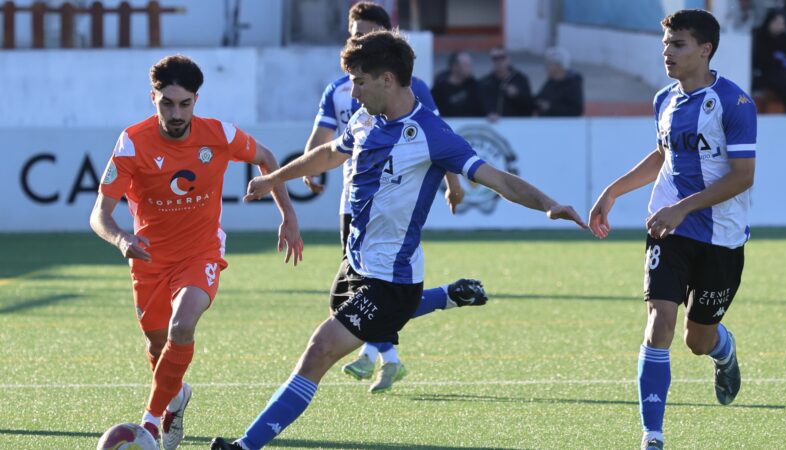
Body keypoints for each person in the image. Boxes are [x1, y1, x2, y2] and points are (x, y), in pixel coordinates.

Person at [210, 30, 586, 450]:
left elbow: (498, 179)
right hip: (356, 263)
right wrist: (275, 178)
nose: (352, 91)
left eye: (359, 81)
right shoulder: (366, 118)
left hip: (391, 280)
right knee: (351, 321)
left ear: (387, 79)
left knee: (320, 350)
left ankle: (246, 446)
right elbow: (332, 154)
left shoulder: (431, 133)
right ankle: (447, 296)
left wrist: (549, 204)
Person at [89, 55, 304, 450]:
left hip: (200, 253)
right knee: (158, 347)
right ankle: (177, 398)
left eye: (184, 104)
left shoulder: (218, 134)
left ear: (196, 100)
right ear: (152, 97)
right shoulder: (132, 143)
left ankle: (150, 423)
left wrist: (288, 216)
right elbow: (99, 215)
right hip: (149, 260)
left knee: (182, 327)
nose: (175, 113)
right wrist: (121, 239)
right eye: (166, 103)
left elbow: (266, 158)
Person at [588, 10, 756, 450]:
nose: (667, 52)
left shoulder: (735, 105)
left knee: (696, 340)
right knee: (659, 322)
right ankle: (653, 436)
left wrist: (684, 208)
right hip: (668, 226)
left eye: (677, 44)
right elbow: (664, 155)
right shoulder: (664, 98)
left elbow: (742, 177)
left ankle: (724, 350)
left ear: (705, 49)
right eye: (665, 43)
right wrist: (613, 192)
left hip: (721, 236)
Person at [301, 0, 486, 394]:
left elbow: (438, 137)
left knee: (374, 292)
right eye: (355, 35)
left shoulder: (409, 87)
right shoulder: (338, 89)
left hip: (392, 200)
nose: (360, 41)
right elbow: (325, 141)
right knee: (350, 299)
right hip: (352, 203)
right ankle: (401, 334)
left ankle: (382, 355)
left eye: (367, 35)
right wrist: (307, 171)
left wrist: (453, 182)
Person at [752, 8, 786, 112]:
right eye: (777, 22)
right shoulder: (761, 38)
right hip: (769, 77)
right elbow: (760, 62)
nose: (780, 26)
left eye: (782, 23)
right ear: (770, 22)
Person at [479, 47, 534, 121]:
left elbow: (530, 104)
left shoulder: (520, 79)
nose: (499, 61)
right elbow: (481, 103)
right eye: (495, 58)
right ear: (491, 61)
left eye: (502, 58)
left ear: (508, 59)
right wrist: (490, 112)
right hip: (493, 124)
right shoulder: (485, 82)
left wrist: (517, 94)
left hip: (516, 124)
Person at [432, 50, 486, 117]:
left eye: (470, 64)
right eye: (466, 65)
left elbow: (484, 108)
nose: (470, 68)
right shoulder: (439, 90)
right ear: (455, 66)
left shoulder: (475, 86)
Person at [534, 47, 584, 117]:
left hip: (562, 125)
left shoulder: (572, 85)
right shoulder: (551, 81)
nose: (547, 67)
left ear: (559, 66)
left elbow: (576, 110)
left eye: (550, 63)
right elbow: (540, 97)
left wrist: (551, 107)